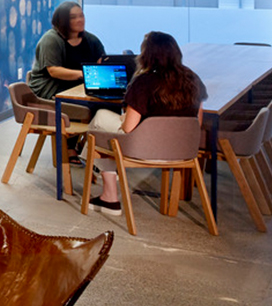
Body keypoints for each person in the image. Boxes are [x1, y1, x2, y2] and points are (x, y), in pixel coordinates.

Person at [87, 30, 206, 212]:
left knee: (100, 126)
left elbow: (128, 128)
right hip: (183, 149)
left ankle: (109, 196)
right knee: (105, 128)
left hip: (144, 148)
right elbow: (196, 123)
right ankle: (95, 165)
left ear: (147, 55)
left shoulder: (144, 82)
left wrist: (125, 117)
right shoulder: (192, 79)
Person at [27, 1, 106, 101]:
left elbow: (102, 63)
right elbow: (54, 71)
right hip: (52, 90)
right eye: (73, 17)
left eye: (81, 16)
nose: (80, 20)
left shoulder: (92, 40)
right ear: (63, 21)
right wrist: (84, 74)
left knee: (111, 104)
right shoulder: (51, 39)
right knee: (93, 106)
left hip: (80, 88)